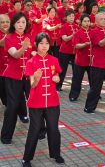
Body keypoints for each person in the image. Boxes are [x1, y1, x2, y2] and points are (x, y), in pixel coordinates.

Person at [21, 33, 64, 167]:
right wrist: (37, 78)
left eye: (46, 43)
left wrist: (57, 78)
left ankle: (56, 154)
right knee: (34, 130)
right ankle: (26, 158)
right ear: (36, 44)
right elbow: (32, 85)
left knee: (53, 129)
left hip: (52, 101)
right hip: (36, 102)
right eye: (41, 43)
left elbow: (56, 73)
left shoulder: (54, 60)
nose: (44, 46)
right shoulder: (31, 62)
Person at [1, 12, 32, 144]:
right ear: (14, 24)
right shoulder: (9, 38)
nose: (21, 25)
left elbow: (33, 53)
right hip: (12, 77)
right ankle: (6, 136)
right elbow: (15, 54)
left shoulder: (28, 37)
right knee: (12, 106)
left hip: (27, 76)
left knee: (36, 103)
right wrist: (23, 47)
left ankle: (41, 131)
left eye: (23, 22)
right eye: (18, 22)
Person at [84, 12, 105, 113]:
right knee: (96, 87)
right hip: (98, 63)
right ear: (96, 21)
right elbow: (101, 43)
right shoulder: (93, 31)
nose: (104, 20)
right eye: (102, 19)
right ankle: (89, 107)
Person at [69, 14, 92, 101]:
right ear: (81, 22)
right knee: (77, 79)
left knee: (93, 79)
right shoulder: (78, 33)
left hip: (91, 60)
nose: (87, 23)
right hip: (81, 60)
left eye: (88, 21)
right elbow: (76, 45)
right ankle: (73, 95)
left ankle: (94, 93)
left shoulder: (93, 31)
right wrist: (84, 44)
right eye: (85, 21)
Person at [57, 9, 79, 91]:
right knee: (62, 69)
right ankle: (58, 85)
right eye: (69, 16)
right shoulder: (63, 26)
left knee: (76, 71)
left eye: (73, 16)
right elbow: (65, 39)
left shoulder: (77, 27)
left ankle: (75, 88)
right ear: (66, 17)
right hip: (65, 51)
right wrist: (72, 35)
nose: (71, 18)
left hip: (75, 51)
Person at [0, 14, 10, 106]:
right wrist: (7, 34)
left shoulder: (14, 33)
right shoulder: (8, 34)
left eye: (7, 22)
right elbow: (2, 43)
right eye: (2, 22)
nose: (5, 24)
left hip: (9, 69)